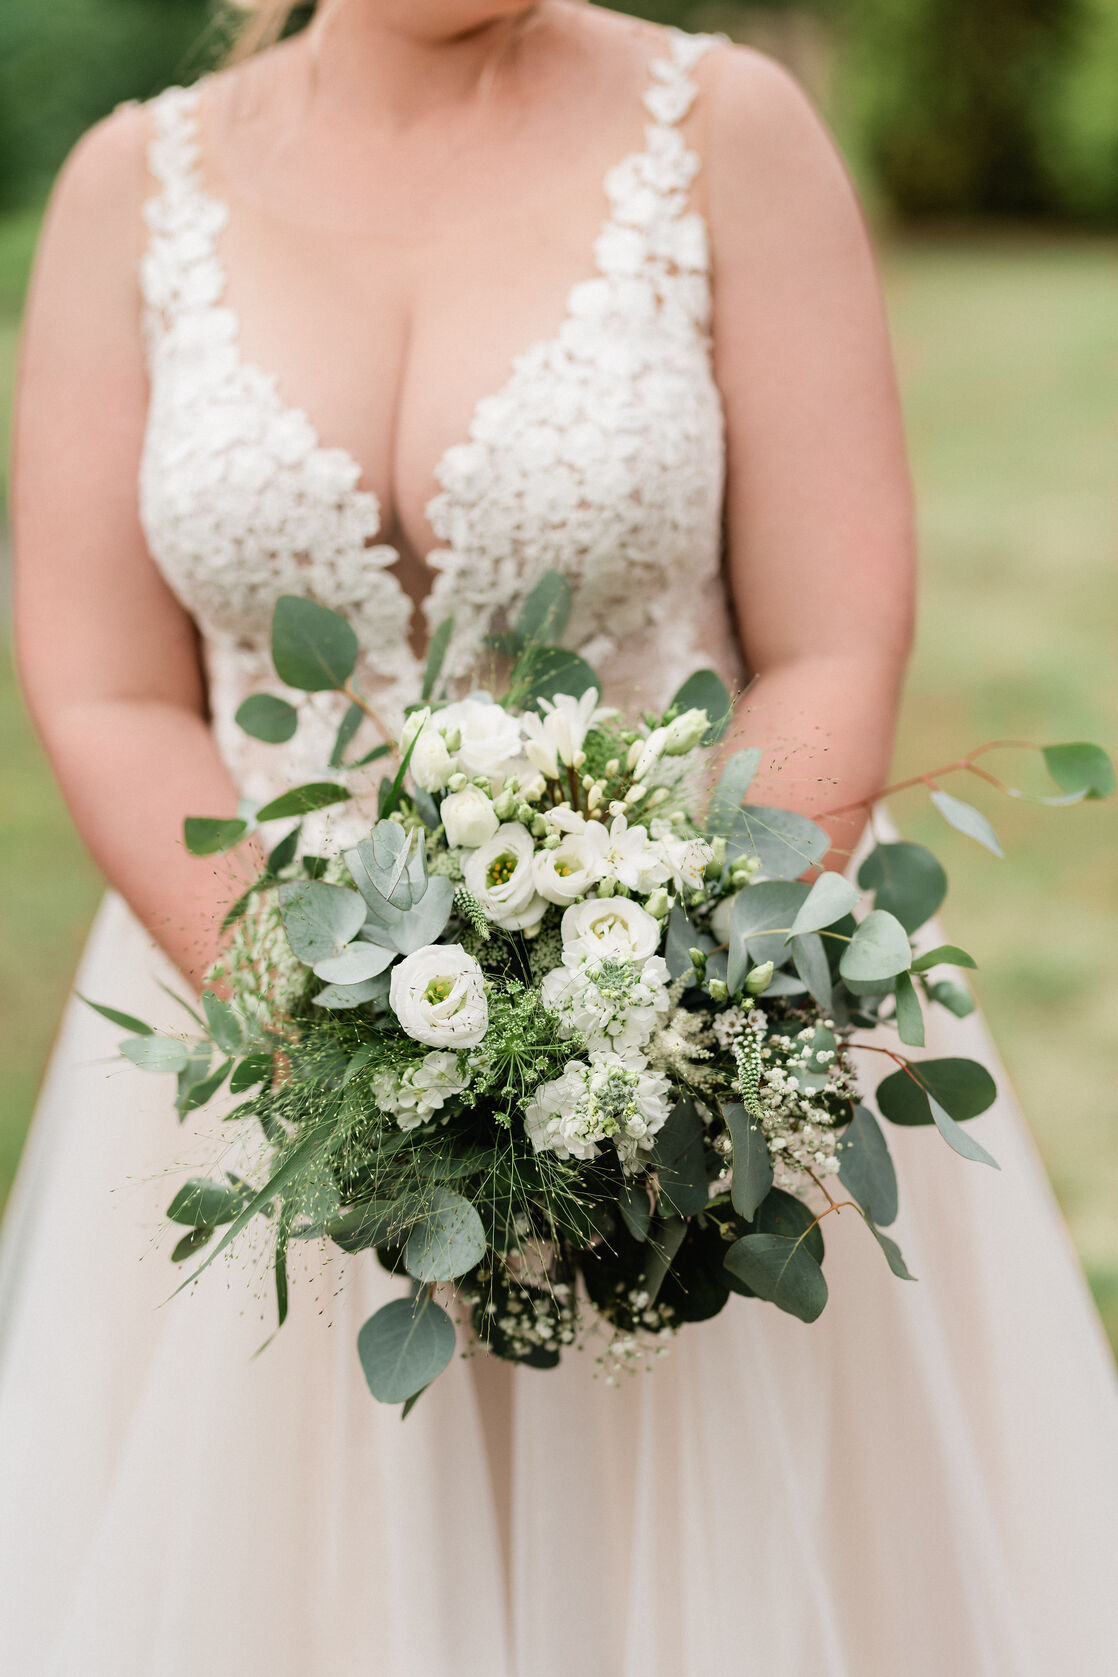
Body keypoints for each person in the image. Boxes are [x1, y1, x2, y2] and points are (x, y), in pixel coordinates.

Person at [4, 2, 1117, 1672]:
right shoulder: (125, 188)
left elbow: (827, 643)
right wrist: (318, 1040)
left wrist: (658, 1005)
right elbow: (103, 683)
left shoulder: (726, 130)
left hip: (681, 1044)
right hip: (239, 1038)